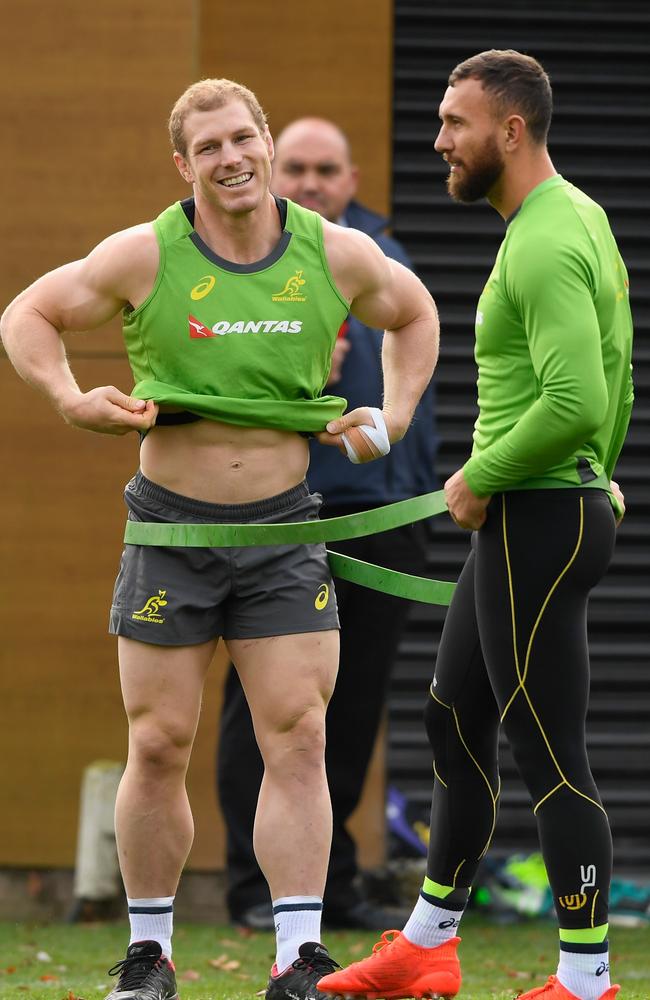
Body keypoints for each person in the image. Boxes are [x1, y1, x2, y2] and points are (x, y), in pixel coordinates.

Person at [0, 80, 439, 1000]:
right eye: (210, 147)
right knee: (158, 742)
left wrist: (390, 419)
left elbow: (415, 315)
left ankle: (296, 958)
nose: (232, 158)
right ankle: (151, 954)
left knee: (300, 737)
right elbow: (27, 314)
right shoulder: (145, 254)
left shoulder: (336, 252)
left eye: (244, 138)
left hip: (283, 534)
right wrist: (72, 397)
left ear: (267, 143)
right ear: (183, 165)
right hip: (170, 530)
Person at [318, 49, 633, 1000]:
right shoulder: (572, 218)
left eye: (456, 123)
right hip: (540, 506)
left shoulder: (542, 238)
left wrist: (487, 474)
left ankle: (586, 979)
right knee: (452, 715)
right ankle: (426, 941)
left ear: (510, 130)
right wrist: (595, 477)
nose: (439, 141)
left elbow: (578, 397)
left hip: (537, 511)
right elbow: (611, 378)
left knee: (550, 751)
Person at [216, 117, 438, 932]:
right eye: (297, 167)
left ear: (351, 179)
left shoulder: (380, 254)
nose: (310, 182)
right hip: (285, 514)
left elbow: (420, 365)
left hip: (384, 514)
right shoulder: (243, 260)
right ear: (276, 171)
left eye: (327, 169)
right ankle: (252, 890)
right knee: (265, 707)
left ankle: (329, 884)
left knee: (345, 716)